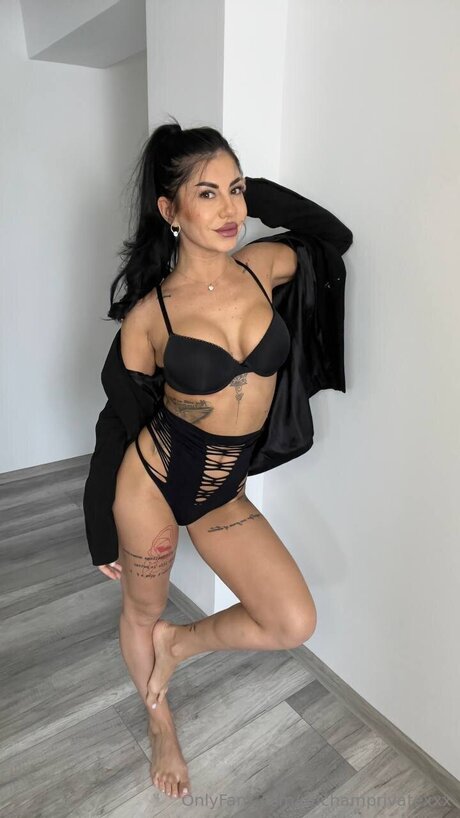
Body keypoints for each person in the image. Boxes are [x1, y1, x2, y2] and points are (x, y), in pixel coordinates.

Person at [87, 118, 351, 800]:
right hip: (152, 481)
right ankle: (160, 724)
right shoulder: (151, 315)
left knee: (291, 620)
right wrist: (98, 524)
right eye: (208, 193)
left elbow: (334, 238)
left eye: (236, 190)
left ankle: (177, 647)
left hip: (222, 487)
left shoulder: (263, 267)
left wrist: (253, 190)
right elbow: (117, 421)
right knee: (141, 609)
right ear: (169, 210)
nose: (231, 208)